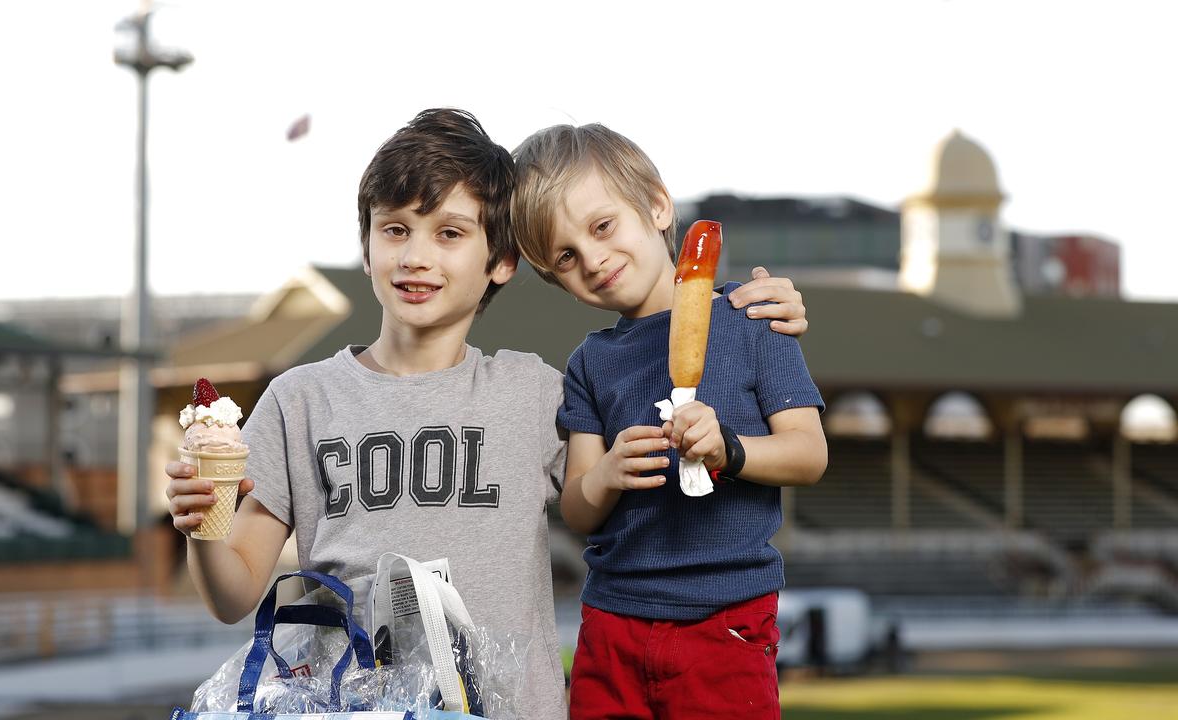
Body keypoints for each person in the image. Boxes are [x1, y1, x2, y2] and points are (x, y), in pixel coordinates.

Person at [164, 108, 811, 720]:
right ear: (366, 247)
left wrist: (750, 312)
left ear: (501, 262)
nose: (417, 256)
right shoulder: (298, 400)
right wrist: (203, 525)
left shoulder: (534, 391)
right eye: (395, 229)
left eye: (449, 232)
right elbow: (234, 593)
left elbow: (657, 386)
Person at [510, 122, 828, 720]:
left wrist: (729, 450)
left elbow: (809, 455)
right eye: (566, 257)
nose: (594, 259)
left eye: (603, 227)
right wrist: (606, 474)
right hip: (612, 622)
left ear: (657, 205)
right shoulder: (591, 362)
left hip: (726, 618)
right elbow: (578, 509)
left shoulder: (751, 319)